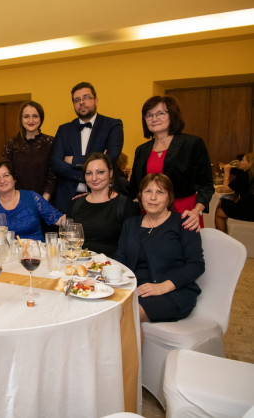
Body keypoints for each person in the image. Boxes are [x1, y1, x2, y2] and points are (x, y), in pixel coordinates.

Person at [115, 173, 204, 323]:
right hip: (135, 288)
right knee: (100, 310)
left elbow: (196, 265)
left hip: (173, 292)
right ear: (141, 196)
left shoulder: (184, 223)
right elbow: (120, 259)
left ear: (169, 198)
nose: (153, 197)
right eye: (148, 191)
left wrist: (163, 287)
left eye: (160, 192)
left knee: (126, 316)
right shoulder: (130, 224)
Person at [128, 95, 213, 231]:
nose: (154, 119)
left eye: (160, 113)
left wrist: (196, 211)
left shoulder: (192, 144)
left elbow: (206, 186)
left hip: (184, 213)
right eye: (149, 115)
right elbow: (133, 188)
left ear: (172, 115)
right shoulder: (141, 150)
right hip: (150, 213)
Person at [51, 82, 124, 212]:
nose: (81, 102)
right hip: (67, 199)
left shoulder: (112, 125)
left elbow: (110, 158)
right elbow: (56, 163)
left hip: (103, 198)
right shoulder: (64, 129)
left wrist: (73, 160)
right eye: (77, 100)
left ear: (96, 101)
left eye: (86, 97)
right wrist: (87, 175)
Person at [66, 153, 139, 256]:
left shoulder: (126, 206)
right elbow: (68, 242)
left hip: (111, 263)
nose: (94, 178)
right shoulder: (75, 204)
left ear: (110, 173)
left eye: (100, 172)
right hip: (78, 262)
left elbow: (130, 247)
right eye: (89, 173)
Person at [0, 160, 65, 241]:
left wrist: (72, 225)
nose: (2, 180)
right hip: (7, 249)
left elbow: (58, 219)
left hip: (36, 248)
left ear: (14, 178)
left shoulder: (32, 197)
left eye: (6, 175)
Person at [1, 101, 56, 199]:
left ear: (41, 118)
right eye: (26, 116)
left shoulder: (50, 142)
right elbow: (5, 174)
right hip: (16, 200)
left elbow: (54, 175)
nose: (31, 120)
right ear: (21, 119)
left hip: (45, 200)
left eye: (35, 116)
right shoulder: (11, 144)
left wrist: (43, 201)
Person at [215, 152, 254, 232]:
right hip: (251, 209)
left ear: (249, 163)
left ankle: (223, 237)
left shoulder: (246, 176)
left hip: (248, 211)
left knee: (221, 202)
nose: (240, 162)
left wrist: (227, 173)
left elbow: (226, 189)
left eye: (242, 160)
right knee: (220, 212)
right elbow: (236, 183)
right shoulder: (249, 174)